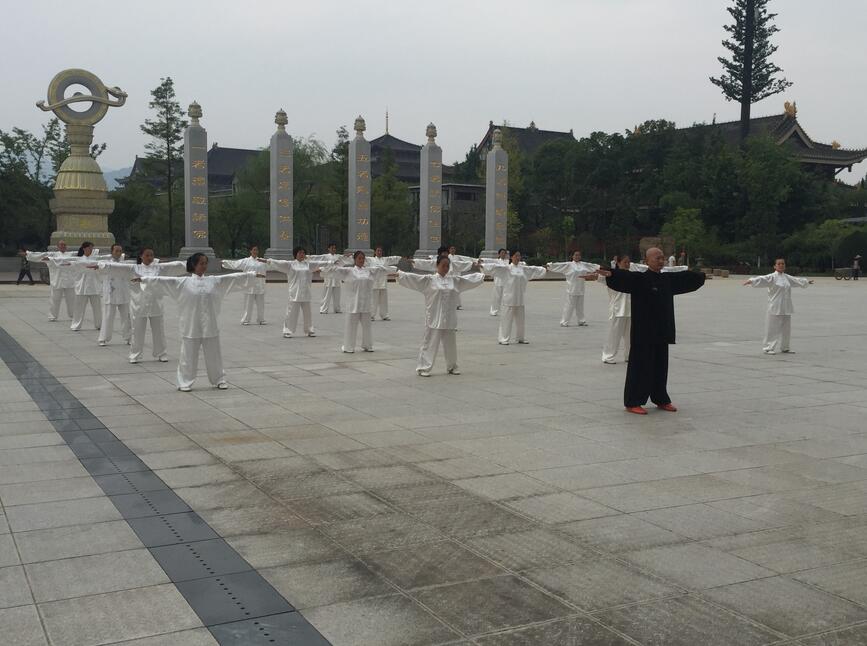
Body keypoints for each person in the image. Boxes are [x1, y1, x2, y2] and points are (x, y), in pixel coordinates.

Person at [602, 247, 705, 415]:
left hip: (662, 330)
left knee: (660, 367)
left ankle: (661, 398)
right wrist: (609, 273)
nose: (661, 261)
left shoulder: (667, 279)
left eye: (662, 258)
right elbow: (623, 277)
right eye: (657, 258)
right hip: (643, 332)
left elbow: (685, 278)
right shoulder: (640, 279)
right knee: (640, 367)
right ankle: (632, 401)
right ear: (647, 261)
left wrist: (700, 276)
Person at [140, 253, 261, 391]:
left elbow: (231, 279)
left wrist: (252, 276)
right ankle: (184, 381)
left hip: (210, 324)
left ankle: (218, 379)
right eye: (201, 263)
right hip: (191, 324)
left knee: (214, 353)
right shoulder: (183, 283)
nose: (204, 266)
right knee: (188, 354)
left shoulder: (213, 281)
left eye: (205, 263)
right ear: (194, 265)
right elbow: (163, 281)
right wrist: (144, 279)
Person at [397, 255, 484, 376]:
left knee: (451, 344)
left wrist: (482, 273)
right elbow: (414, 278)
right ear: (437, 265)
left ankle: (452, 366)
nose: (446, 268)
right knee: (430, 342)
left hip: (449, 317)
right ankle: (424, 367)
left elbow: (468, 279)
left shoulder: (454, 280)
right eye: (443, 265)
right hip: (434, 316)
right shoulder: (429, 280)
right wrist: (400, 274)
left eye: (447, 266)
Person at [97, 247, 186, 363]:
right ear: (141, 256)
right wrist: (101, 266)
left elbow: (175, 265)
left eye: (152, 255)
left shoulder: (159, 268)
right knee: (137, 331)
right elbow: (116, 268)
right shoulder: (134, 268)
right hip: (139, 304)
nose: (150, 258)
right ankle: (135, 354)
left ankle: (161, 353)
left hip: (156, 304)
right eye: (147, 255)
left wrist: (192, 264)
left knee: (159, 330)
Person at [323, 250, 396, 353]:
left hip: (366, 303)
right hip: (353, 303)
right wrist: (343, 259)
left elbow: (382, 270)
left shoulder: (369, 271)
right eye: (359, 258)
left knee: (367, 326)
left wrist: (394, 270)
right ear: (355, 260)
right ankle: (349, 347)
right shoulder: (349, 271)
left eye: (363, 258)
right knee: (351, 326)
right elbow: (333, 269)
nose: (361, 260)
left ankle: (367, 345)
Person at [262, 246, 335, 338]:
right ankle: (287, 330)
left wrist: (332, 262)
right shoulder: (290, 265)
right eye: (299, 253)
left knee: (307, 313)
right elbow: (277, 263)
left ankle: (309, 329)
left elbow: (320, 263)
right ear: (295, 254)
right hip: (294, 292)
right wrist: (266, 261)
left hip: (306, 292)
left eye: (303, 253)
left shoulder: (309, 265)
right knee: (291, 312)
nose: (302, 255)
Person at [743, 258, 812, 355]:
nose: (781, 265)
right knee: (772, 328)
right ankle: (768, 347)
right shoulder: (772, 277)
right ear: (775, 266)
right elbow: (762, 279)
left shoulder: (787, 277)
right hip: (775, 306)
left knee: (786, 329)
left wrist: (806, 282)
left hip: (786, 306)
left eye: (783, 264)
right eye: (779, 264)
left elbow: (797, 281)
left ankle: (785, 347)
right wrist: (751, 281)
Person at [481, 251, 547, 344]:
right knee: (506, 319)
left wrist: (543, 269)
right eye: (516, 256)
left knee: (521, 320)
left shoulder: (523, 268)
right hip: (509, 298)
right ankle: (503, 338)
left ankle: (520, 338)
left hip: (520, 298)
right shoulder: (507, 268)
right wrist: (483, 266)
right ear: (511, 257)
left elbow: (533, 269)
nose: (518, 257)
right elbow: (495, 267)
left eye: (519, 256)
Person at [52, 242, 106, 331]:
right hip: (82, 286)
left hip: (94, 286)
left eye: (92, 248)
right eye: (89, 248)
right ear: (84, 249)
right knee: (79, 308)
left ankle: (99, 324)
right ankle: (76, 325)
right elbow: (69, 265)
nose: (91, 250)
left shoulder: (96, 260)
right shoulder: (79, 259)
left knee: (97, 308)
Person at [546, 250, 600, 327]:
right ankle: (564, 321)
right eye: (576, 255)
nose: (577, 256)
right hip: (572, 288)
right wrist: (550, 265)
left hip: (581, 288)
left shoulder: (583, 265)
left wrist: (599, 267)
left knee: (580, 306)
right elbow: (559, 265)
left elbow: (592, 266)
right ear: (573, 256)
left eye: (579, 255)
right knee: (569, 306)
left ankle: (581, 321)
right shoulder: (569, 265)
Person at [27, 240, 76, 321]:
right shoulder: (52, 255)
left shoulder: (71, 254)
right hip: (57, 281)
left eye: (64, 245)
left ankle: (73, 315)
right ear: (58, 246)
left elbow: (83, 254)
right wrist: (29, 254)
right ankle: (52, 316)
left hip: (69, 282)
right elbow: (40, 255)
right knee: (54, 300)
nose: (63, 246)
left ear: (66, 246)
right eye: (61, 245)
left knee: (71, 300)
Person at [95, 244, 132, 347]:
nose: (118, 253)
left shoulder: (125, 264)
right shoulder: (106, 263)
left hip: (123, 293)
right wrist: (97, 267)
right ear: (112, 252)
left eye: (120, 251)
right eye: (116, 251)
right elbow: (100, 266)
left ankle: (128, 337)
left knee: (126, 317)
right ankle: (103, 338)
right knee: (108, 317)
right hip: (111, 293)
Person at [221, 245, 267, 325]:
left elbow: (272, 264)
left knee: (261, 304)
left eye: (257, 250)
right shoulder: (246, 261)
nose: (255, 251)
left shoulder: (262, 261)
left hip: (260, 285)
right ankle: (246, 319)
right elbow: (235, 264)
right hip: (249, 285)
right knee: (248, 304)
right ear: (250, 251)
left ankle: (261, 319)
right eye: (254, 250)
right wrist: (225, 262)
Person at [368, 245, 402, 321]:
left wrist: (400, 257)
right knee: (373, 300)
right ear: (375, 252)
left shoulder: (385, 260)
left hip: (383, 282)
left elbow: (392, 258)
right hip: (374, 283)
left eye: (380, 251)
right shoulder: (371, 260)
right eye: (378, 251)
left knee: (384, 300)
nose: (379, 252)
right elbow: (362, 258)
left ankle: (384, 315)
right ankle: (371, 315)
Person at [316, 243, 343, 314]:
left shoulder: (338, 256)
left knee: (337, 295)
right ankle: (323, 309)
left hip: (336, 277)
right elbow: (323, 265)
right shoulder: (325, 256)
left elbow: (342, 262)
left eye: (334, 248)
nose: (334, 249)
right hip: (329, 278)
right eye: (332, 248)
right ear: (328, 249)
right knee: (327, 295)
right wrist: (331, 264)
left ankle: (337, 309)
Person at [483, 248, 509, 316]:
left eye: (504, 253)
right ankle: (494, 310)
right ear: (499, 254)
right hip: (498, 282)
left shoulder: (508, 261)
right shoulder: (496, 261)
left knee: (506, 298)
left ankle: (506, 311)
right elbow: (489, 262)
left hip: (506, 282)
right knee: (496, 298)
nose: (503, 254)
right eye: (502, 253)